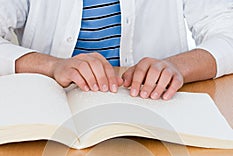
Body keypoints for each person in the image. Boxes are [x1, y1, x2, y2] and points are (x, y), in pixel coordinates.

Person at [0, 0, 233, 100]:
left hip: (157, 110)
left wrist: (178, 67)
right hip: (53, 116)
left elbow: (226, 30)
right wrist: (52, 66)